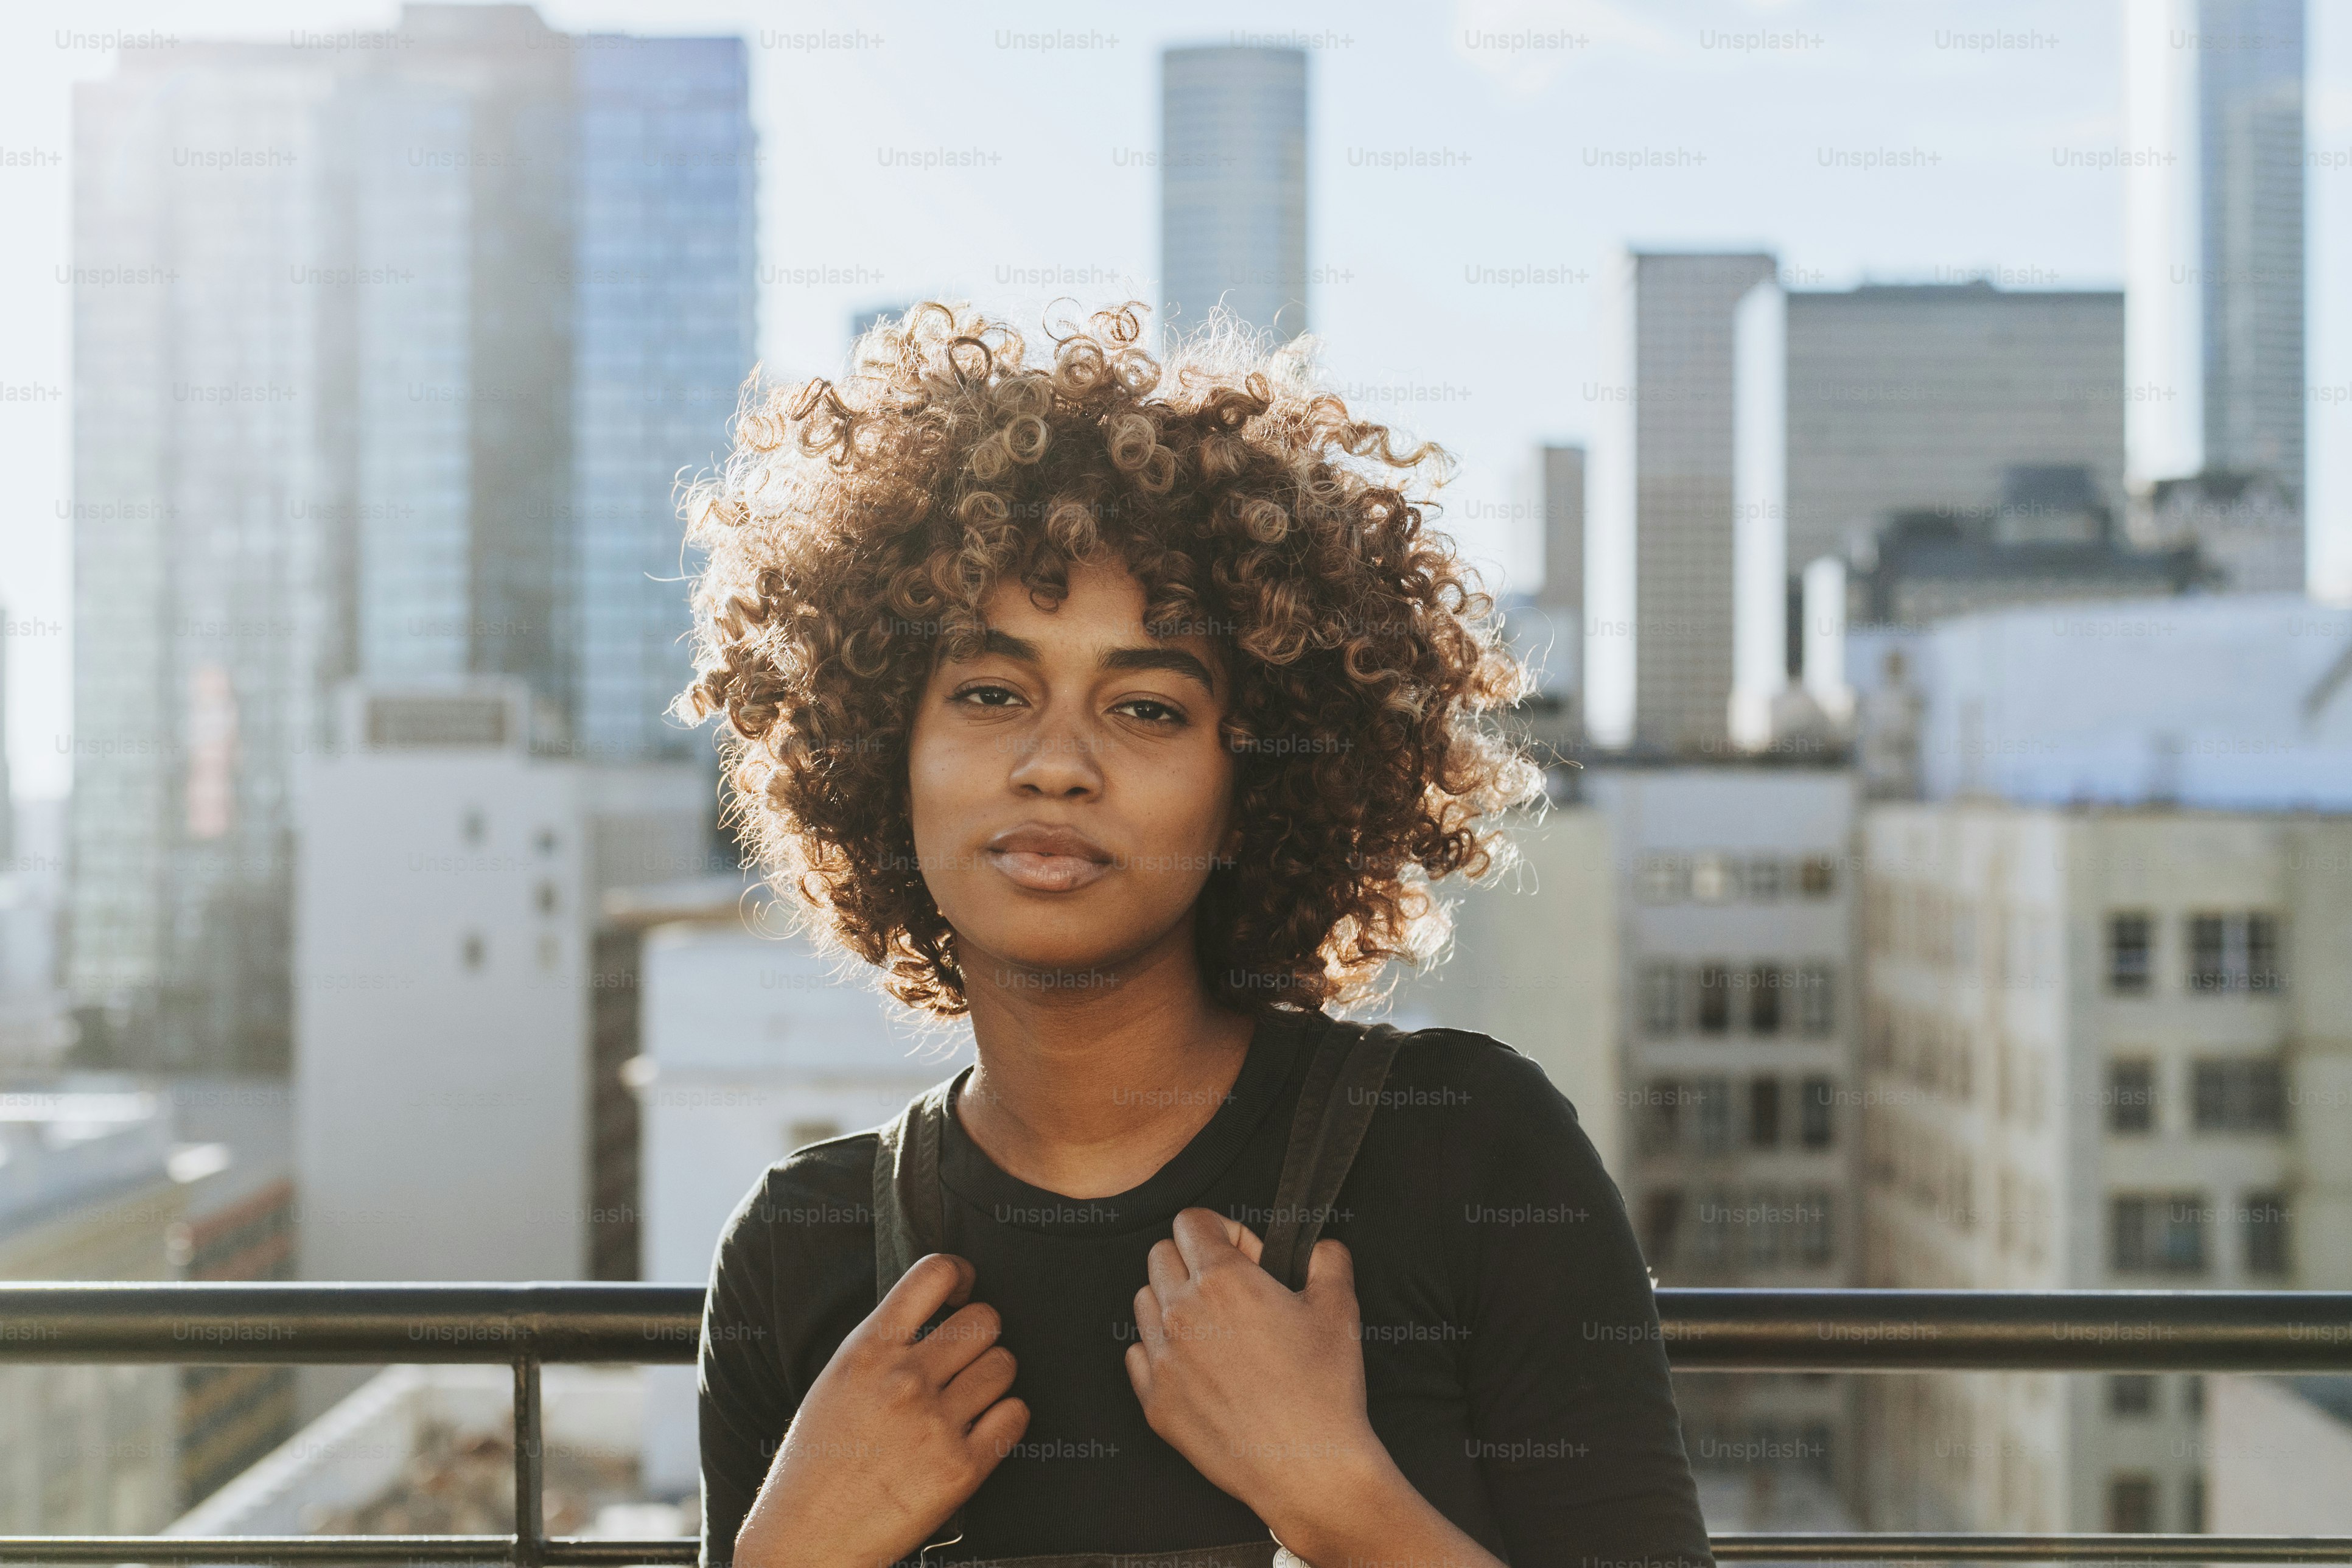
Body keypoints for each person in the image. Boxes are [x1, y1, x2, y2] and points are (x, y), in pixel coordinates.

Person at [677, 302, 1713, 1567]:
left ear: (1252, 786)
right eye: (991, 692)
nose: (1056, 764)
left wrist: (1335, 1496)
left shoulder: (1472, 1152)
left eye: (1150, 707)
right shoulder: (798, 1245)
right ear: (883, 752)